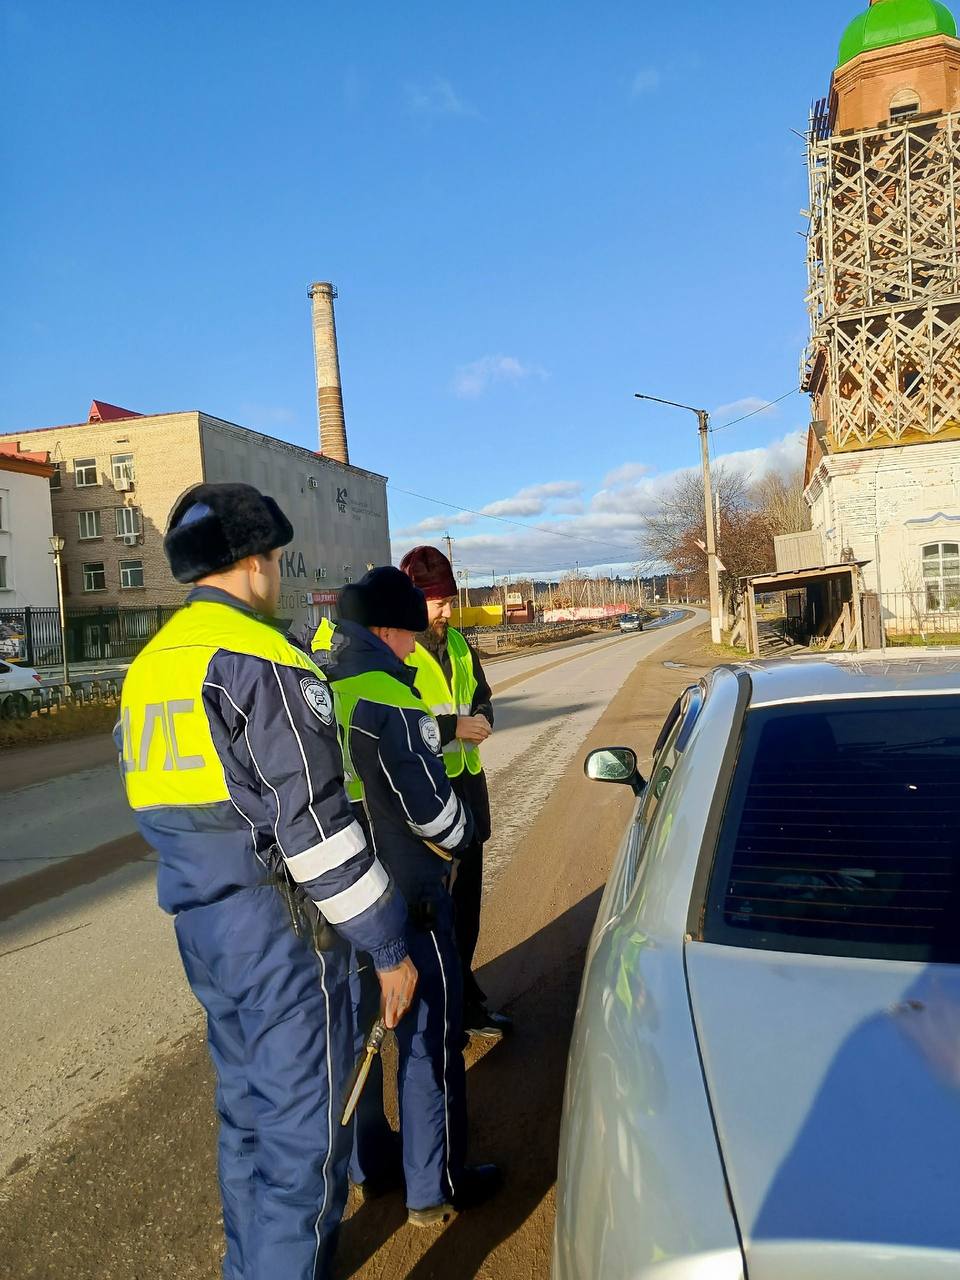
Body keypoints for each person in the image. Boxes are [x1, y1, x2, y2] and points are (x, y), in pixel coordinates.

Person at [116, 483, 417, 1280]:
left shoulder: (149, 668)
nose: (276, 576)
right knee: (304, 1151)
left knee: (248, 1122)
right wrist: (388, 945)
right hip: (285, 937)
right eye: (275, 561)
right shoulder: (263, 660)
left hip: (205, 929)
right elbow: (316, 832)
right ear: (253, 564)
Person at [326, 566, 502, 1226]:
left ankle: (371, 1166)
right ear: (385, 631)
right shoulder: (389, 698)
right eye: (407, 637)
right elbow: (431, 810)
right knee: (429, 1036)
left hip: (346, 901)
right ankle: (437, 1184)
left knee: (362, 1036)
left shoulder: (323, 688)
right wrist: (464, 840)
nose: (413, 650)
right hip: (409, 896)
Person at [399, 545, 512, 1039]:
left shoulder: (462, 646)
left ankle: (465, 1003)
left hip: (468, 794)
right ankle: (442, 1015)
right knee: (434, 920)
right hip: (428, 804)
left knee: (467, 912)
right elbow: (400, 726)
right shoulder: (399, 651)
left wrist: (483, 718)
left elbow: (482, 698)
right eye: (439, 602)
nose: (448, 610)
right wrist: (452, 728)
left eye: (450, 599)